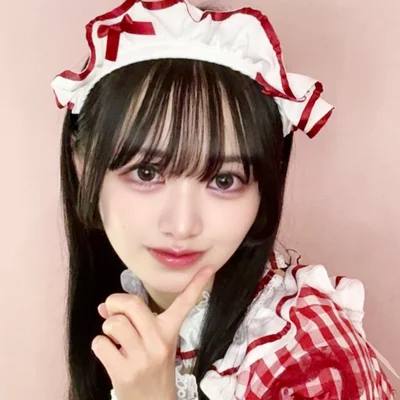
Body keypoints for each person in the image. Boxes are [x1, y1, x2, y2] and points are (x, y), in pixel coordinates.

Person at [51, 0, 397, 399]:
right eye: (146, 172)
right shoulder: (125, 307)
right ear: (82, 166)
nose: (182, 225)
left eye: (224, 179)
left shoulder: (309, 356)